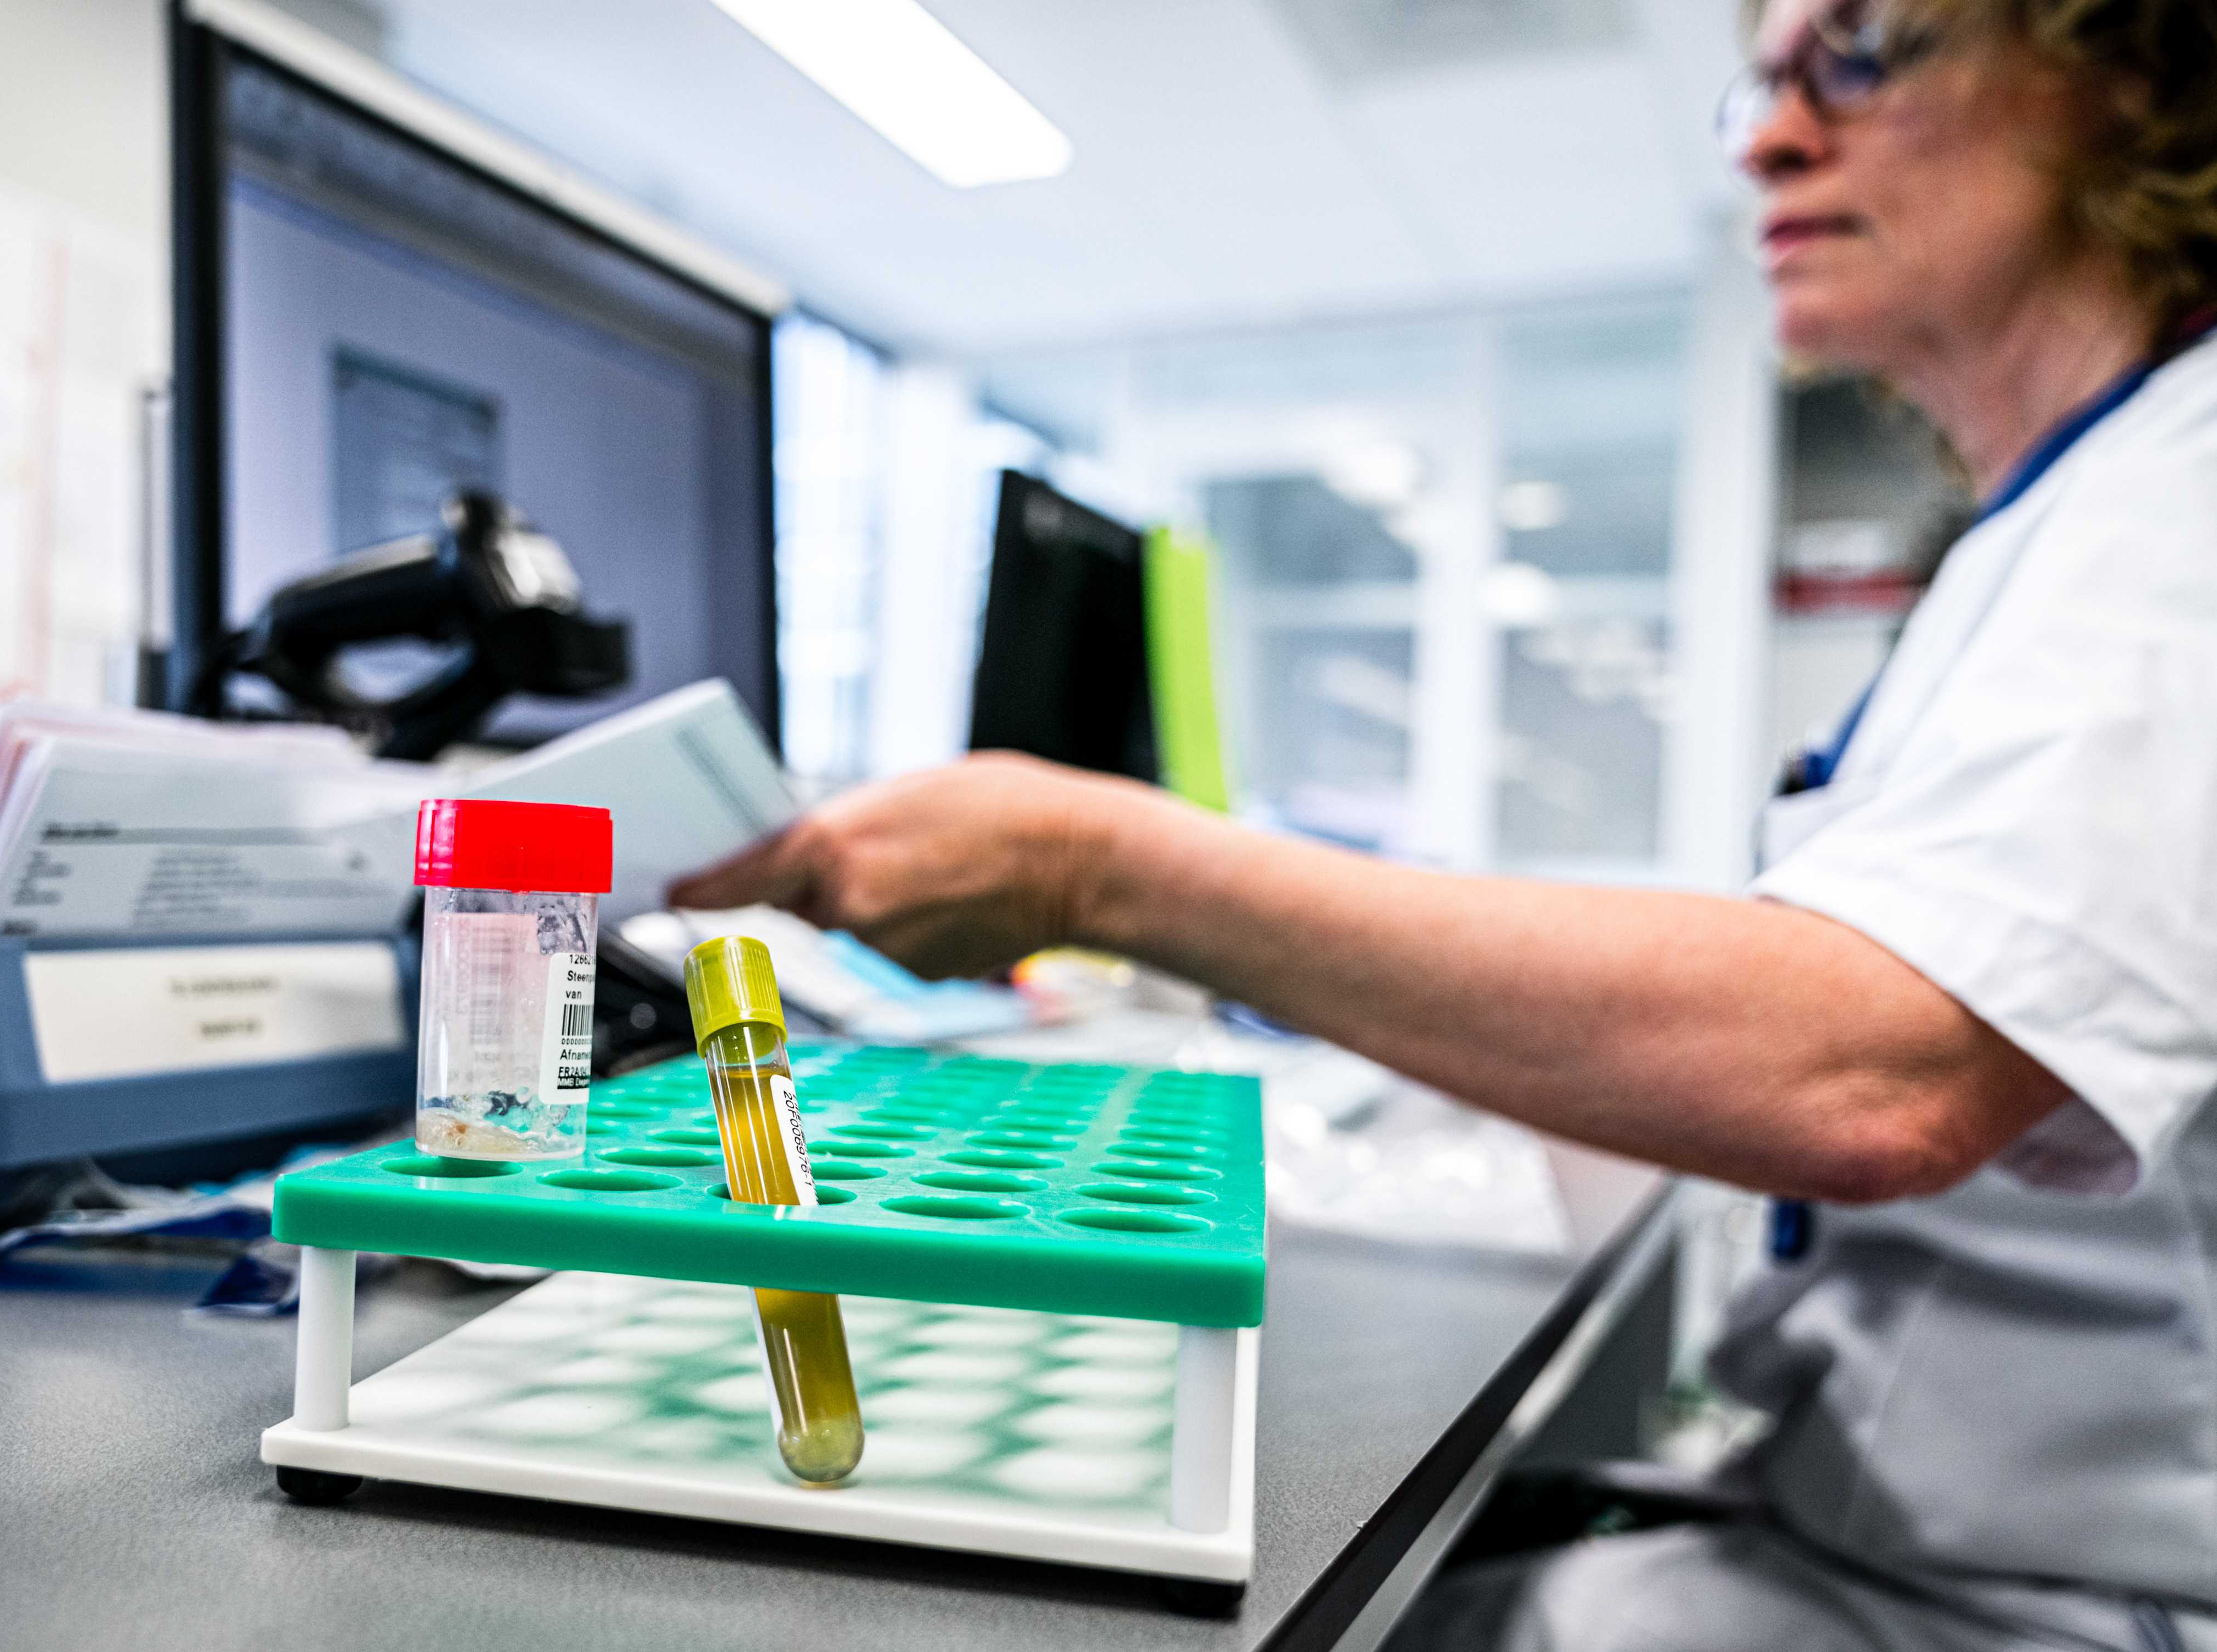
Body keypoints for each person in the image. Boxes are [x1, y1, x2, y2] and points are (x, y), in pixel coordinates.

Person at [677, 0, 2217, 1643]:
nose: (1769, 135)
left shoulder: (2178, 497)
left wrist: (1096, 863)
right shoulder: (2060, 520)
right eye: (1758, 81)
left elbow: (1877, 1060)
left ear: (2142, 75)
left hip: (2020, 1595)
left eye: (1861, 51)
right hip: (1890, 1522)